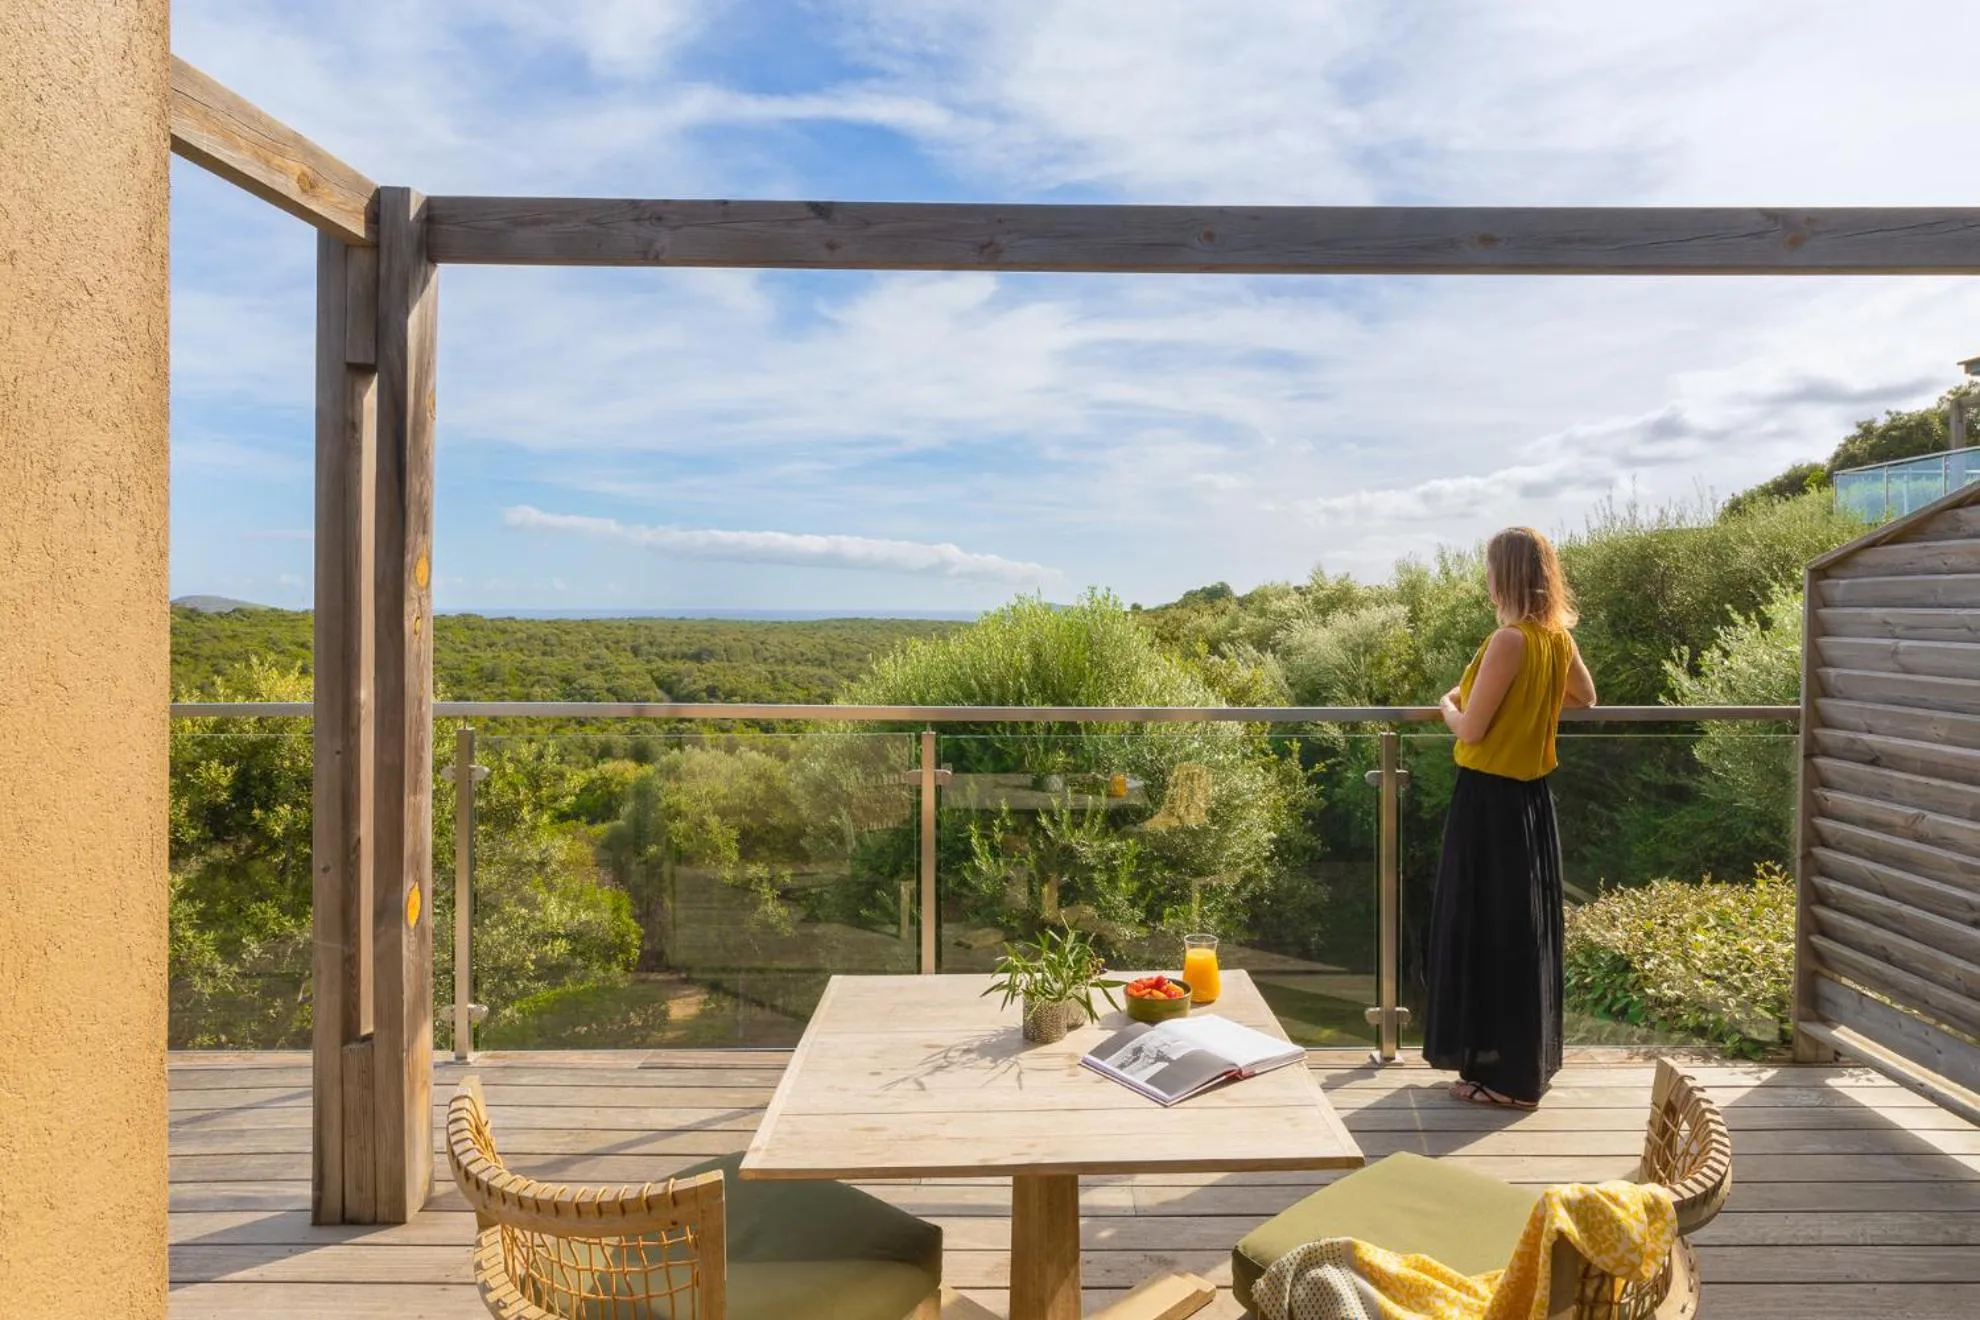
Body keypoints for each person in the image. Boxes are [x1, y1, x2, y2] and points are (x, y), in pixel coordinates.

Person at [1423, 527, 1596, 1109]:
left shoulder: (1508, 639)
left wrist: (1448, 705)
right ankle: (1517, 1069)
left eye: (1490, 569)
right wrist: (1530, 701)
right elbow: (1586, 697)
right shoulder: (1556, 639)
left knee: (1486, 930)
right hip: (1531, 802)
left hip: (1488, 801)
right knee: (1521, 932)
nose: (1486, 579)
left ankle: (1505, 1080)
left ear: (1504, 576)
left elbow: (1470, 730)